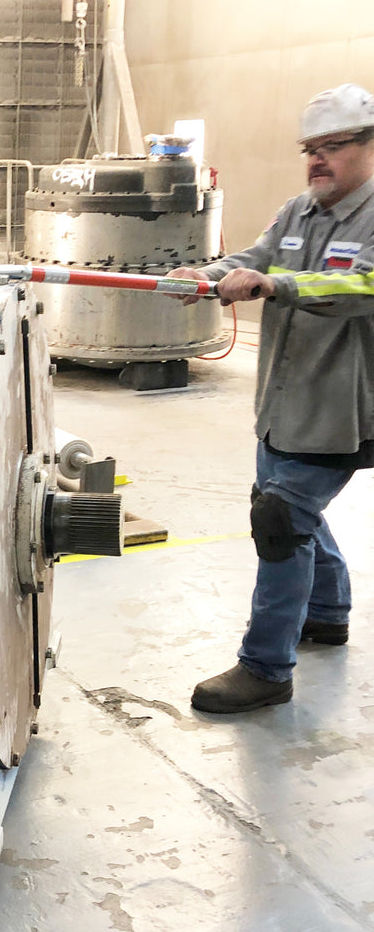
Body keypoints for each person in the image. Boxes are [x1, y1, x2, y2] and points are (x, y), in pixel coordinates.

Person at [167, 82, 374, 714]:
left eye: (333, 146)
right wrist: (202, 276)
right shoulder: (296, 212)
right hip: (283, 406)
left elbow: (360, 287)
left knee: (281, 521)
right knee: (290, 508)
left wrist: (276, 285)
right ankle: (327, 612)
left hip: (339, 409)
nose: (318, 159)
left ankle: (266, 668)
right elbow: (252, 259)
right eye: (310, 148)